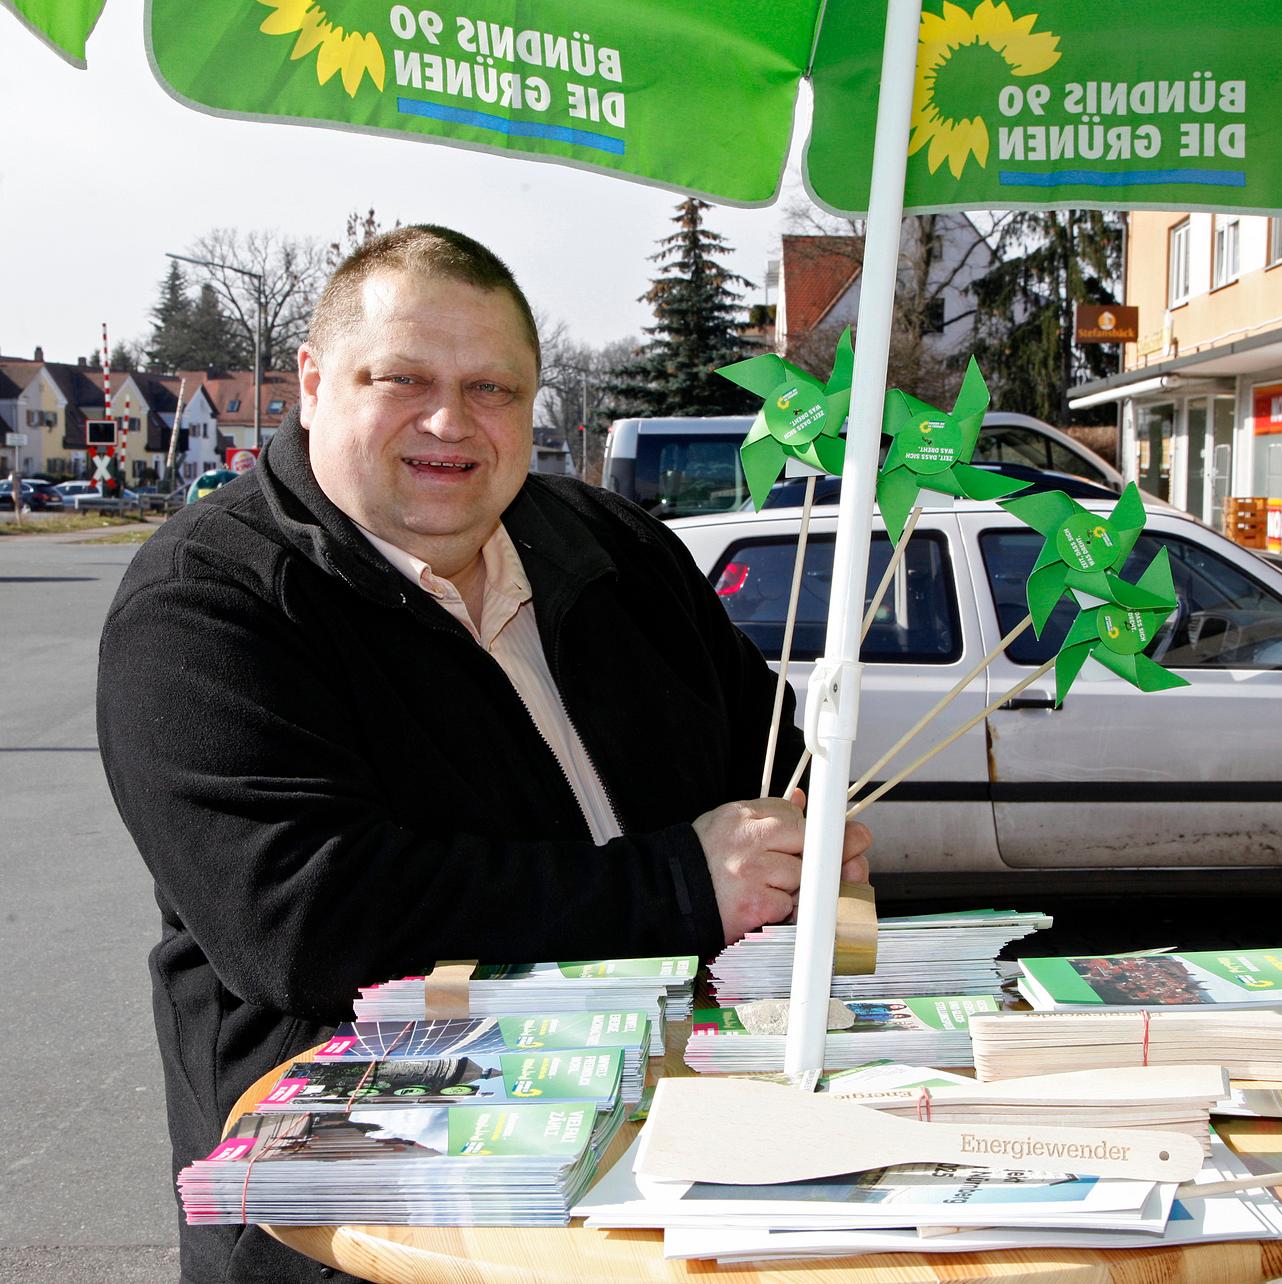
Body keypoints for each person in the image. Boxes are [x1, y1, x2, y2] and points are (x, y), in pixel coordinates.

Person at [97, 225, 870, 1283]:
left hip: (669, 1187)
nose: (450, 422)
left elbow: (770, 749)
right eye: (401, 377)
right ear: (314, 385)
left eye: (494, 388)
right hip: (379, 1234)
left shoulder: (619, 552)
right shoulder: (206, 605)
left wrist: (811, 838)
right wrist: (682, 884)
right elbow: (303, 920)